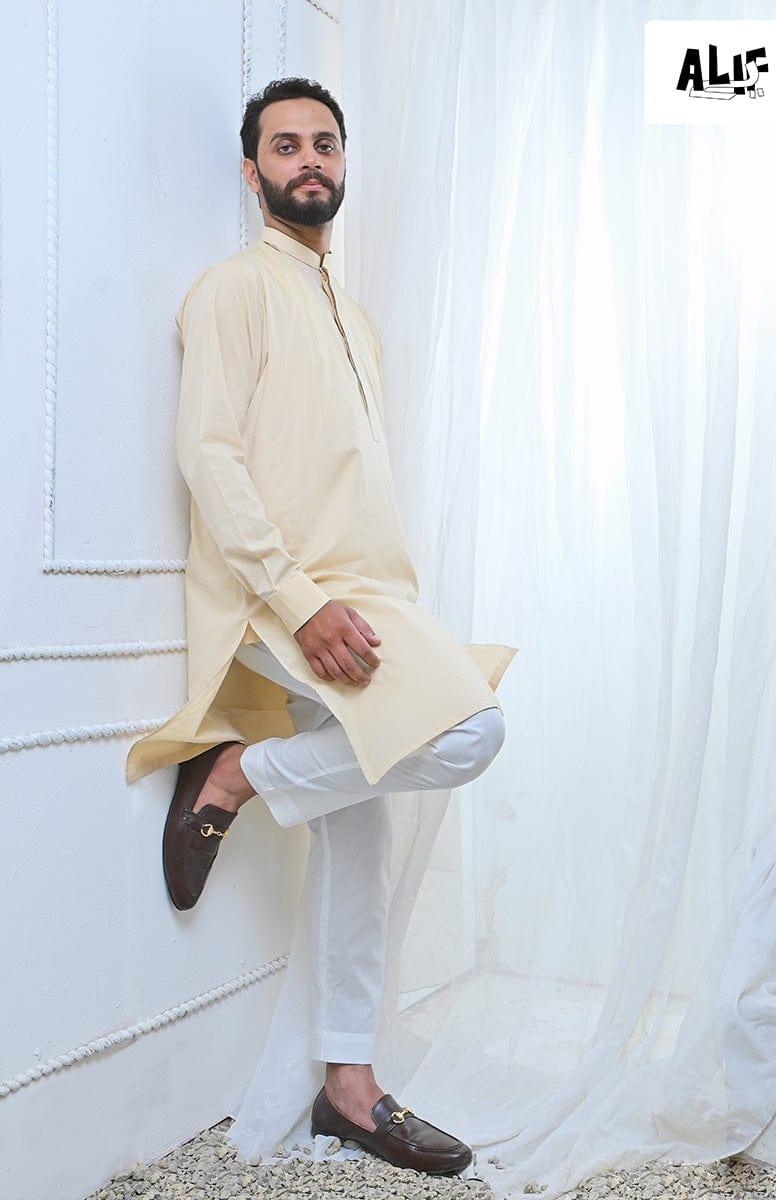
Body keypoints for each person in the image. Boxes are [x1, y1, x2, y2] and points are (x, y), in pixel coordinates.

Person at [128, 76, 517, 1175]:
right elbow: (209, 457)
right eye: (286, 144)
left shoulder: (356, 319)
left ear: (343, 164)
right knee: (470, 733)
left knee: (361, 830)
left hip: (370, 596)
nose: (309, 159)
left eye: (325, 144)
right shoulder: (231, 291)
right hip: (285, 598)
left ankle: (349, 1087)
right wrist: (300, 602)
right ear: (251, 171)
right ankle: (235, 774)